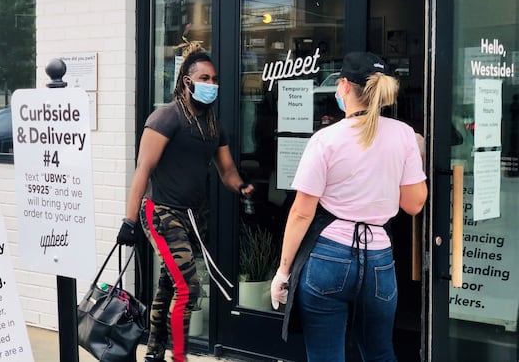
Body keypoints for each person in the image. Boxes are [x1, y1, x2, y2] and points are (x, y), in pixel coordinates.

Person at [270, 52, 427, 362]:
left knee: (326, 355)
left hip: (328, 258)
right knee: (380, 352)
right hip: (378, 260)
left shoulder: (325, 140)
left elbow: (302, 212)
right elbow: (413, 204)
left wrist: (283, 272)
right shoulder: (404, 136)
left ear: (343, 86)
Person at [117, 50, 254, 362]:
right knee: (188, 287)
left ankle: (153, 354)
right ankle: (179, 357)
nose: (211, 84)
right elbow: (143, 169)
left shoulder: (212, 124)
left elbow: (227, 171)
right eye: (204, 78)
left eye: (215, 79)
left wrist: (242, 187)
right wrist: (129, 221)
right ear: (186, 81)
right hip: (161, 212)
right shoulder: (166, 117)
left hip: (193, 216)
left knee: (169, 284)